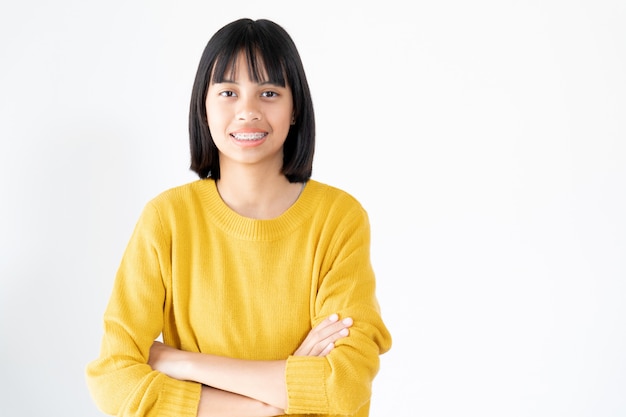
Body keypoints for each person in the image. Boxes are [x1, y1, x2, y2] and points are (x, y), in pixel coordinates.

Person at [85, 17, 392, 417]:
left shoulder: (338, 218)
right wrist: (267, 402)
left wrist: (182, 363)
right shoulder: (168, 218)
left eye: (268, 92)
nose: (247, 111)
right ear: (204, 107)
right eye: (228, 91)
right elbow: (113, 379)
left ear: (295, 108)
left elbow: (344, 386)